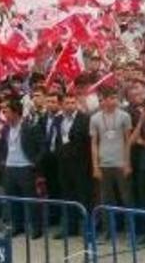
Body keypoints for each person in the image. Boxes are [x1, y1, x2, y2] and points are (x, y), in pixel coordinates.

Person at [90, 87, 134, 234]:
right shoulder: (95, 118)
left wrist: (128, 163)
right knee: (105, 199)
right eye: (110, 98)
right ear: (104, 100)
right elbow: (94, 143)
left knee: (126, 198)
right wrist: (95, 166)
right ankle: (108, 230)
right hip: (104, 163)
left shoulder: (124, 116)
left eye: (115, 98)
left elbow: (128, 141)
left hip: (120, 163)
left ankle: (130, 230)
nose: (113, 101)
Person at [0, 99, 43, 238]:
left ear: (16, 113)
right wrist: (2, 160)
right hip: (10, 168)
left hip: (25, 168)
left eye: (8, 112)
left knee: (31, 200)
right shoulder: (5, 128)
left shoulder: (30, 127)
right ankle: (17, 226)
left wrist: (35, 162)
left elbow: (42, 147)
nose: (5, 115)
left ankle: (36, 228)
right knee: (13, 199)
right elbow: (2, 146)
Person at [54, 91, 92, 237]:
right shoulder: (58, 120)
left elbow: (88, 143)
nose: (70, 106)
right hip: (63, 164)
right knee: (67, 196)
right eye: (67, 103)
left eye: (72, 103)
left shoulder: (84, 119)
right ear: (62, 105)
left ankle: (87, 227)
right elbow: (56, 139)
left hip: (80, 164)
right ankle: (70, 227)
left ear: (76, 103)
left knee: (83, 196)